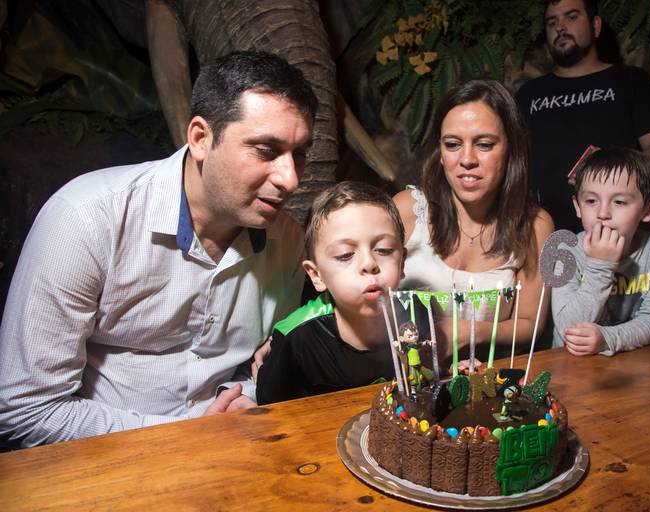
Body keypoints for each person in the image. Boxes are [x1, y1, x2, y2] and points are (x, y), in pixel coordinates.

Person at [0, 51, 316, 447]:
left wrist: (244, 397)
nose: (291, 179)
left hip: (232, 449)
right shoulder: (86, 218)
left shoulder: (288, 241)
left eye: (299, 153)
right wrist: (184, 436)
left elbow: (263, 364)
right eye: (266, 150)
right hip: (102, 462)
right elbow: (25, 410)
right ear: (201, 139)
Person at [393, 79, 554, 361]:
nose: (467, 159)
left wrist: (470, 331)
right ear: (440, 153)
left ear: (511, 149)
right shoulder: (406, 209)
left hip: (488, 376)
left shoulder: (535, 225)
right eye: (453, 144)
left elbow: (530, 324)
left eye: (484, 144)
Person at [516, 0, 650, 232]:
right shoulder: (529, 93)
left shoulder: (631, 80)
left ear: (596, 25)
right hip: (540, 231)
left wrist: (618, 174)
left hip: (617, 231)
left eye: (572, 17)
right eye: (552, 22)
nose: (560, 27)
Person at [256, 181, 406, 405]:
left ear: (402, 261)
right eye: (345, 255)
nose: (369, 263)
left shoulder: (419, 317)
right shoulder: (297, 339)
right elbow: (271, 409)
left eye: (384, 250)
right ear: (316, 275)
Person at [551, 147, 650, 355]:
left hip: (626, 361)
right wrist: (601, 266)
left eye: (619, 202)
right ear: (578, 206)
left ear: (649, 210)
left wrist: (607, 338)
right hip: (570, 362)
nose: (603, 213)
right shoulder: (566, 249)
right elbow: (567, 329)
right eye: (591, 201)